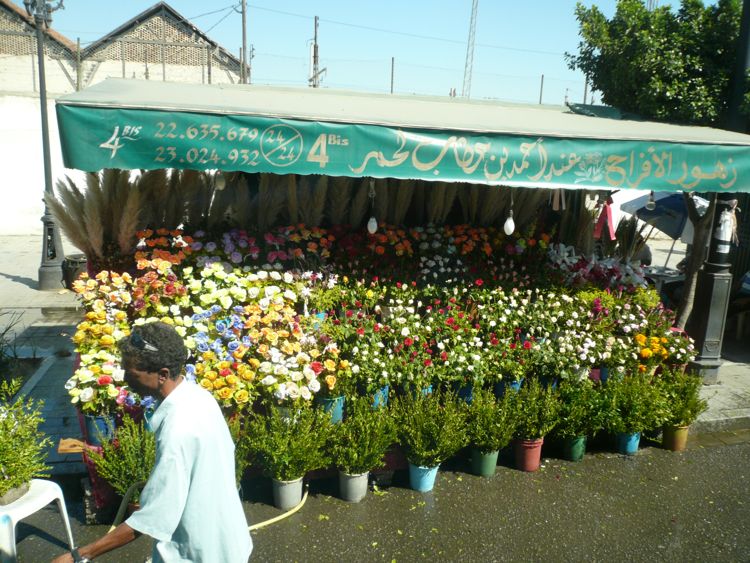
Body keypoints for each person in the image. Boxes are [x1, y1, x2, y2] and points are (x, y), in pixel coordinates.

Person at [52, 321, 252, 563]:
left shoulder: (178, 429)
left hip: (199, 551)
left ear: (162, 375)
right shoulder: (199, 397)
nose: (126, 379)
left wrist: (79, 555)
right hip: (228, 538)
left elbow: (153, 519)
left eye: (132, 373)